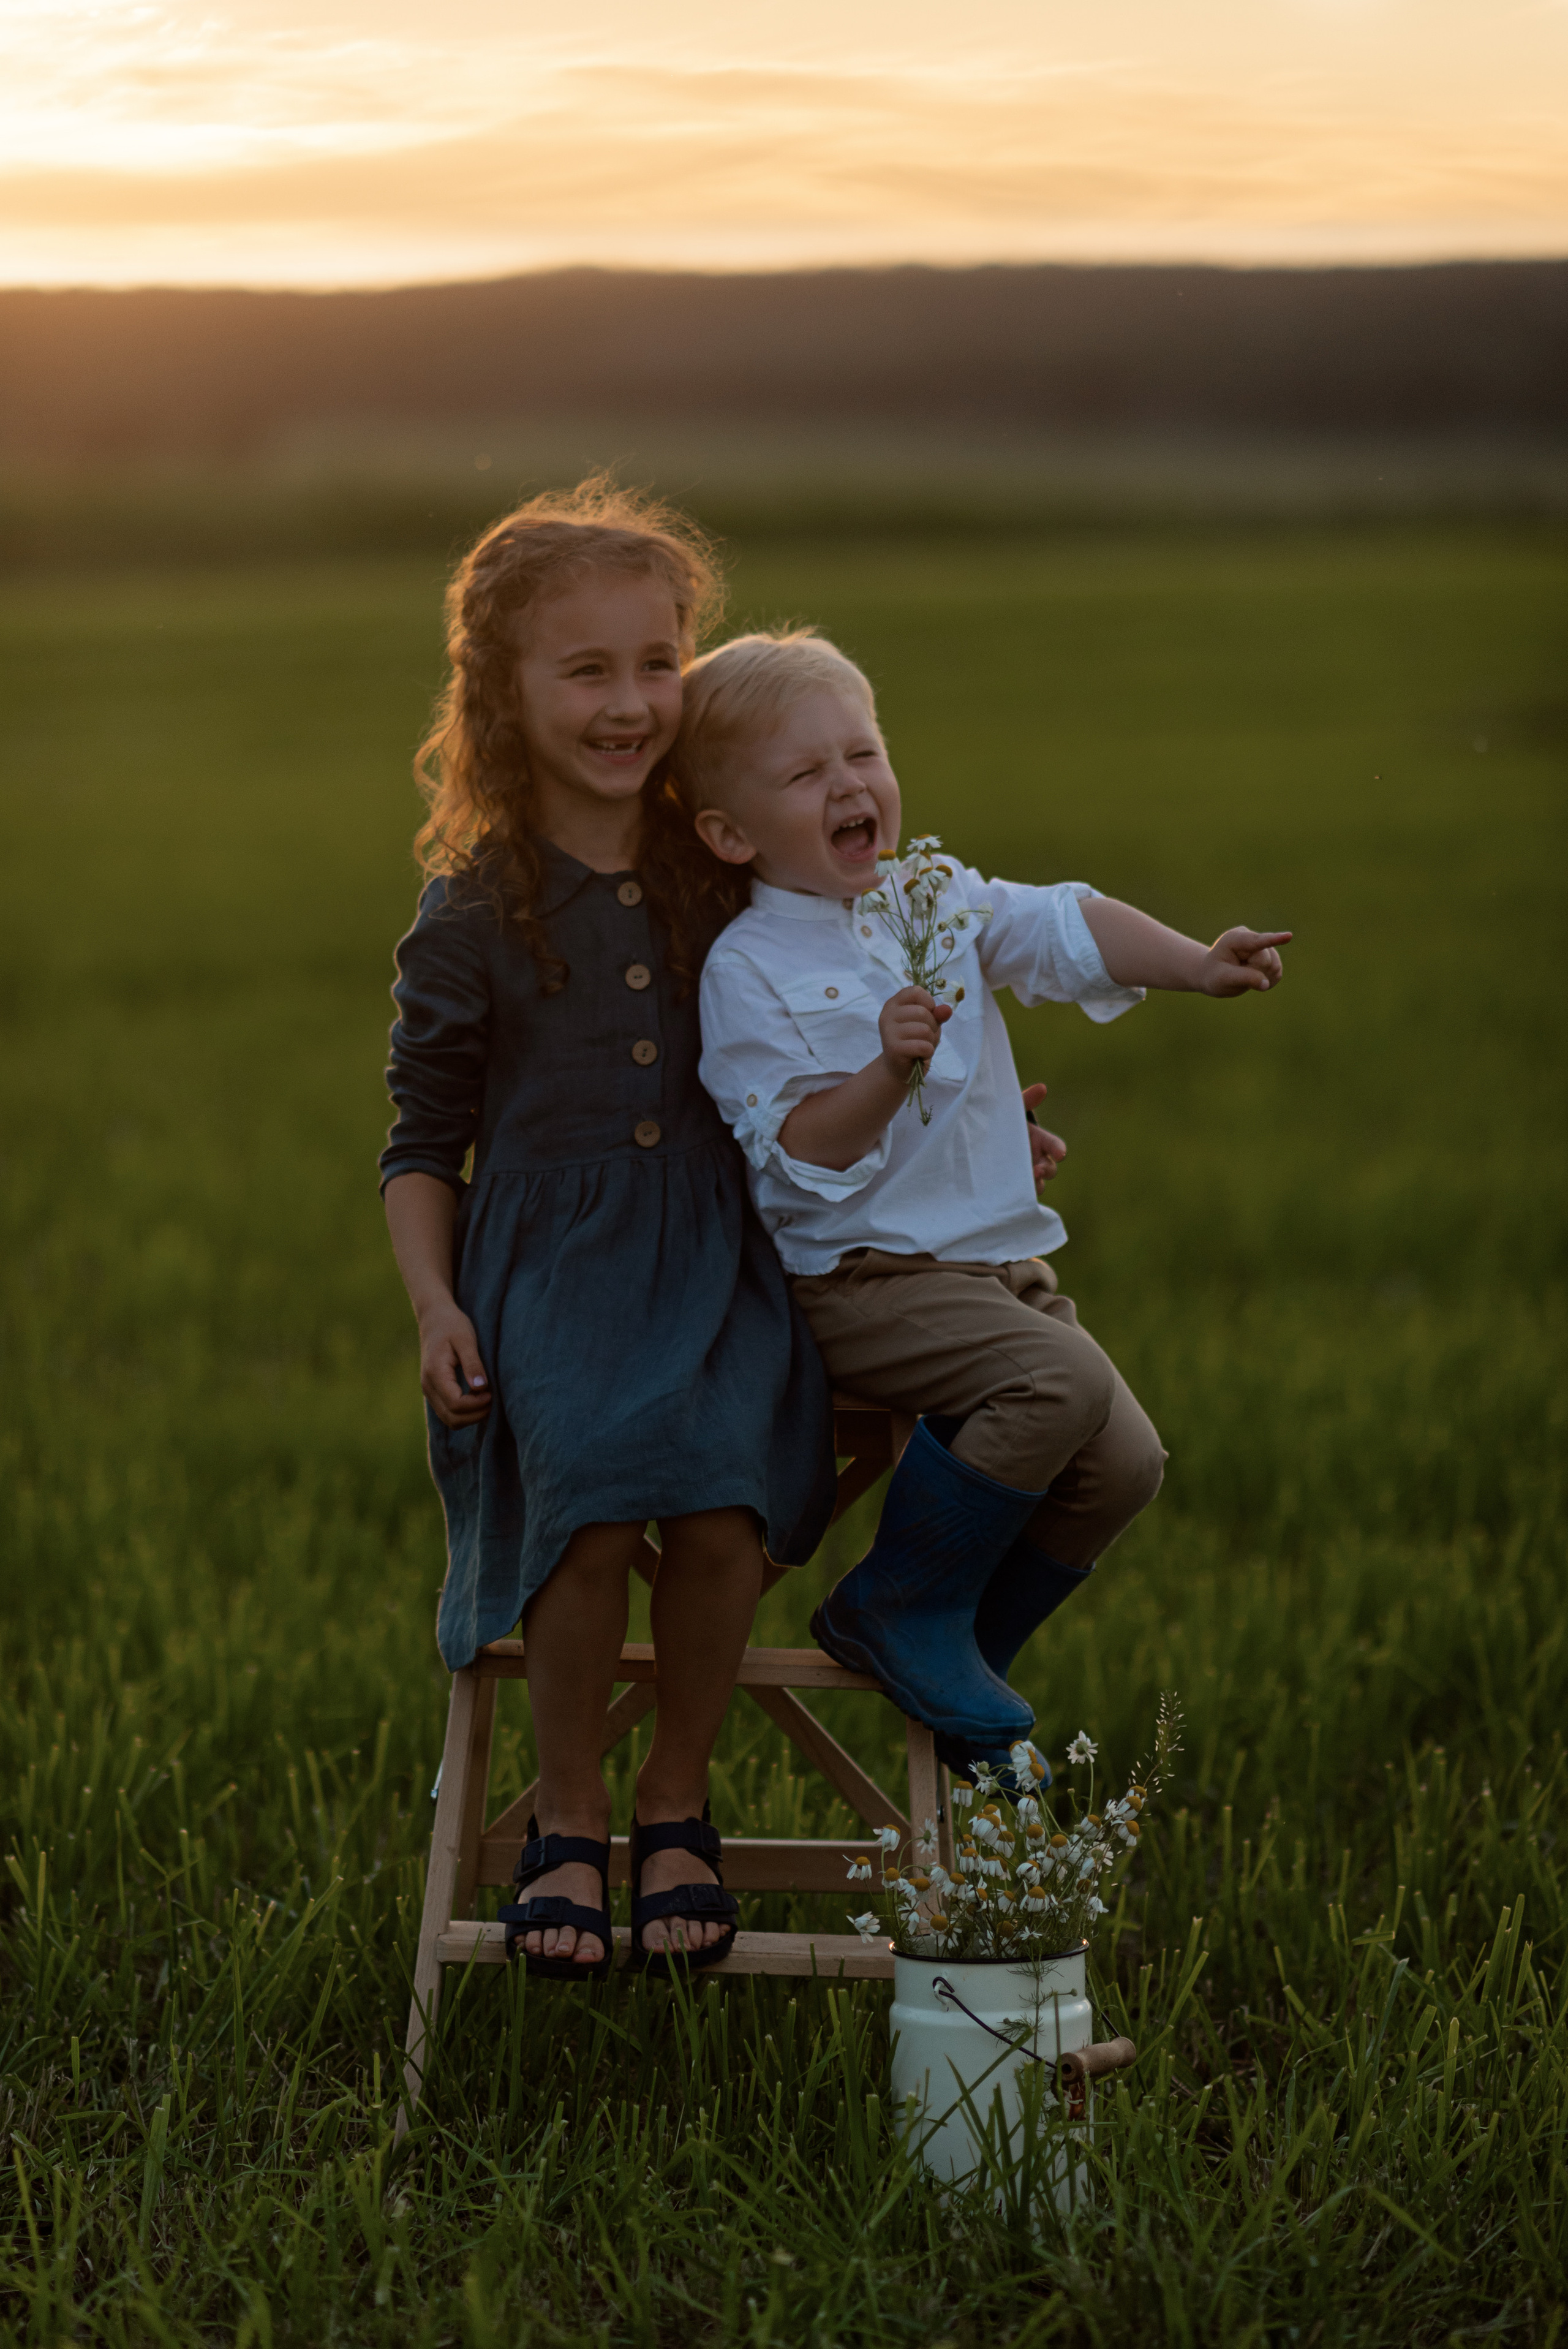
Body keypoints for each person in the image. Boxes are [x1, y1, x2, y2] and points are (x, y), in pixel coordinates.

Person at [677, 630, 1291, 1779]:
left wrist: (1194, 964)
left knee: (1126, 1463)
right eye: (806, 775)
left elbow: (1061, 922)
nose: (850, 783)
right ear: (730, 833)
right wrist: (887, 1073)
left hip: (993, 1265)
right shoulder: (748, 966)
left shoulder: (929, 893)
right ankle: (895, 1602)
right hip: (862, 1279)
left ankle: (958, 1650)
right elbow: (798, 1150)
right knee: (1054, 1382)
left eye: (862, 751)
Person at [379, 490, 837, 1978]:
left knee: (716, 1512)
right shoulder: (470, 915)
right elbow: (419, 1143)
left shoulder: (731, 872)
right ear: (502, 694)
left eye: (660, 662)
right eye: (586, 671)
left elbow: (832, 1028)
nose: (632, 702)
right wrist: (436, 1308)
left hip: (715, 1255)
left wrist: (958, 1118)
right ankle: (567, 1816)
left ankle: (674, 1796)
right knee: (580, 1515)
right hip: (550, 1273)